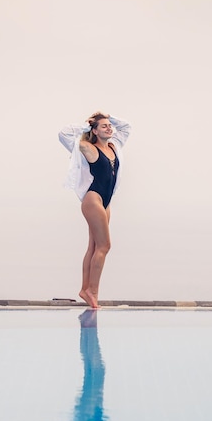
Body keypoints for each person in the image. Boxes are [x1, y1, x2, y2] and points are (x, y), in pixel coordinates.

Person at [59, 111, 131, 308]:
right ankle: (93, 291)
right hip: (93, 199)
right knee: (105, 246)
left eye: (109, 126)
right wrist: (86, 126)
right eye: (104, 126)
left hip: (105, 202)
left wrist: (109, 117)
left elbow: (126, 127)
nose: (109, 128)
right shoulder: (88, 148)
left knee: (93, 247)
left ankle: (85, 288)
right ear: (95, 131)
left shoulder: (114, 146)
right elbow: (64, 134)